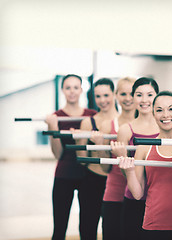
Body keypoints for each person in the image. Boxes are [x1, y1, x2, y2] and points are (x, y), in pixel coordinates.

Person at [112, 91, 172, 240]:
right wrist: (130, 171)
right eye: (159, 110)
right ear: (153, 114)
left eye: (171, 109)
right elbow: (138, 194)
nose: (166, 115)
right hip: (154, 224)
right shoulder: (144, 148)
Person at [45, 74, 97, 240]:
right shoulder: (56, 116)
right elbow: (57, 154)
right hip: (64, 175)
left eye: (76, 87)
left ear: (81, 89)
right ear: (63, 90)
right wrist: (54, 129)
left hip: (88, 175)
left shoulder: (92, 115)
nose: (72, 91)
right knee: (59, 229)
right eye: (68, 87)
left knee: (88, 230)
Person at [113, 77, 160, 240]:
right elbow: (126, 173)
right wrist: (122, 156)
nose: (145, 100)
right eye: (139, 95)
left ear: (157, 96)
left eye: (150, 94)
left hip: (160, 199)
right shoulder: (126, 130)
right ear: (133, 97)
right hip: (134, 198)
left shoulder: (167, 125)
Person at [75, 78, 119, 239]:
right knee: (87, 229)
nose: (102, 100)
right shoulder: (88, 122)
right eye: (98, 96)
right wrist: (79, 140)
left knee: (113, 230)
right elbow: (83, 160)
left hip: (116, 182)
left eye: (106, 95)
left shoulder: (124, 122)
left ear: (114, 95)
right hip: (92, 181)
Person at [100, 77, 136, 239]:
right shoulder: (108, 126)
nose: (128, 98)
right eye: (123, 94)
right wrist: (101, 145)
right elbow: (105, 168)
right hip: (114, 194)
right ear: (116, 95)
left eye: (132, 94)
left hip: (139, 195)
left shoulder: (150, 126)